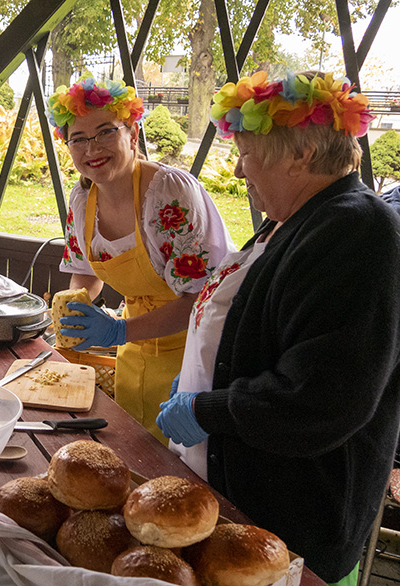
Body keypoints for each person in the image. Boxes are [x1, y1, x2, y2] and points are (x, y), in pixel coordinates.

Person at [156, 70, 400, 586]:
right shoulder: (294, 218)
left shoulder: (359, 230)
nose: (241, 170)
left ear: (301, 155)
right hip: (237, 509)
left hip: (294, 526)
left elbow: (322, 398)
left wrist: (208, 407)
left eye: (246, 153)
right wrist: (201, 379)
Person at [48, 76, 234, 443]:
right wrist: (76, 311)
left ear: (132, 135)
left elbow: (199, 298)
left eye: (105, 132)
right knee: (132, 457)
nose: (92, 148)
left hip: (192, 358)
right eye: (79, 139)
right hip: (133, 356)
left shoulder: (168, 192)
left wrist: (118, 331)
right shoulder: (81, 200)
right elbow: (85, 270)